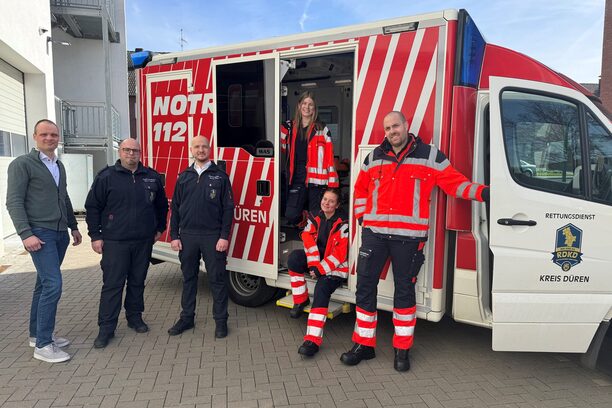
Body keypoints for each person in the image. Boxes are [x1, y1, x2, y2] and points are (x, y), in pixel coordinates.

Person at [340, 111, 490, 372]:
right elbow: (360, 189)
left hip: (408, 240)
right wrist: (363, 219)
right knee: (364, 288)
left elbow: (456, 184)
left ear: (406, 126)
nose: (391, 131)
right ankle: (364, 345)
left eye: (395, 126)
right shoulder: (374, 157)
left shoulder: (430, 156)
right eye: (387, 128)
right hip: (375, 235)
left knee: (405, 293)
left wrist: (485, 193)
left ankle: (402, 349)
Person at [6, 119, 82, 363]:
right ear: (35, 136)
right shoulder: (23, 164)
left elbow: (64, 198)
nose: (50, 138)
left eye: (54, 135)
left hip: (59, 233)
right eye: (45, 134)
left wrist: (74, 227)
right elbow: (14, 201)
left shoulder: (58, 164)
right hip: (40, 232)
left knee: (43, 285)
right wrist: (26, 234)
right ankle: (44, 345)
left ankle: (37, 334)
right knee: (53, 285)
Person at [85, 138, 168, 348]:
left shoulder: (151, 177)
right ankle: (106, 328)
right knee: (113, 285)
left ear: (140, 153)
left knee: (137, 281)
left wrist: (159, 229)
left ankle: (135, 318)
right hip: (115, 241)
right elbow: (93, 207)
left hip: (143, 241)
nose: (131, 154)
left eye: (135, 150)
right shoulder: (106, 177)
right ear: (120, 151)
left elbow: (161, 206)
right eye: (127, 150)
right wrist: (95, 236)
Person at [167, 135, 234, 339]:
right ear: (191, 150)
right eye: (197, 147)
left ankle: (221, 321)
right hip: (187, 236)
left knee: (217, 280)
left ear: (209, 149)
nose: (201, 150)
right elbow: (175, 208)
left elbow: (228, 209)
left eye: (204, 146)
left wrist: (224, 236)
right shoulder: (184, 176)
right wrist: (174, 236)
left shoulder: (220, 176)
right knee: (188, 279)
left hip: (212, 236)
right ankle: (187, 318)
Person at [286, 188, 349, 357]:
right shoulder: (315, 217)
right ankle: (301, 300)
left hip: (336, 268)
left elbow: (340, 255)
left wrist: (319, 269)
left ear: (337, 205)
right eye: (324, 199)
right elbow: (307, 238)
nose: (326, 203)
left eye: (331, 201)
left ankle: (312, 340)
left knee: (321, 288)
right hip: (317, 262)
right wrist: (314, 265)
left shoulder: (344, 223)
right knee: (293, 259)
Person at [281, 91, 339, 225]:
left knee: (317, 219)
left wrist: (332, 185)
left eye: (310, 104)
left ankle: (312, 237)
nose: (307, 107)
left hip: (318, 182)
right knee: (291, 215)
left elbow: (329, 157)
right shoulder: (288, 128)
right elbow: (282, 147)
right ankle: (303, 218)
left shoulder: (321, 129)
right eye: (304, 103)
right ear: (299, 105)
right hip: (297, 178)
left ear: (314, 108)